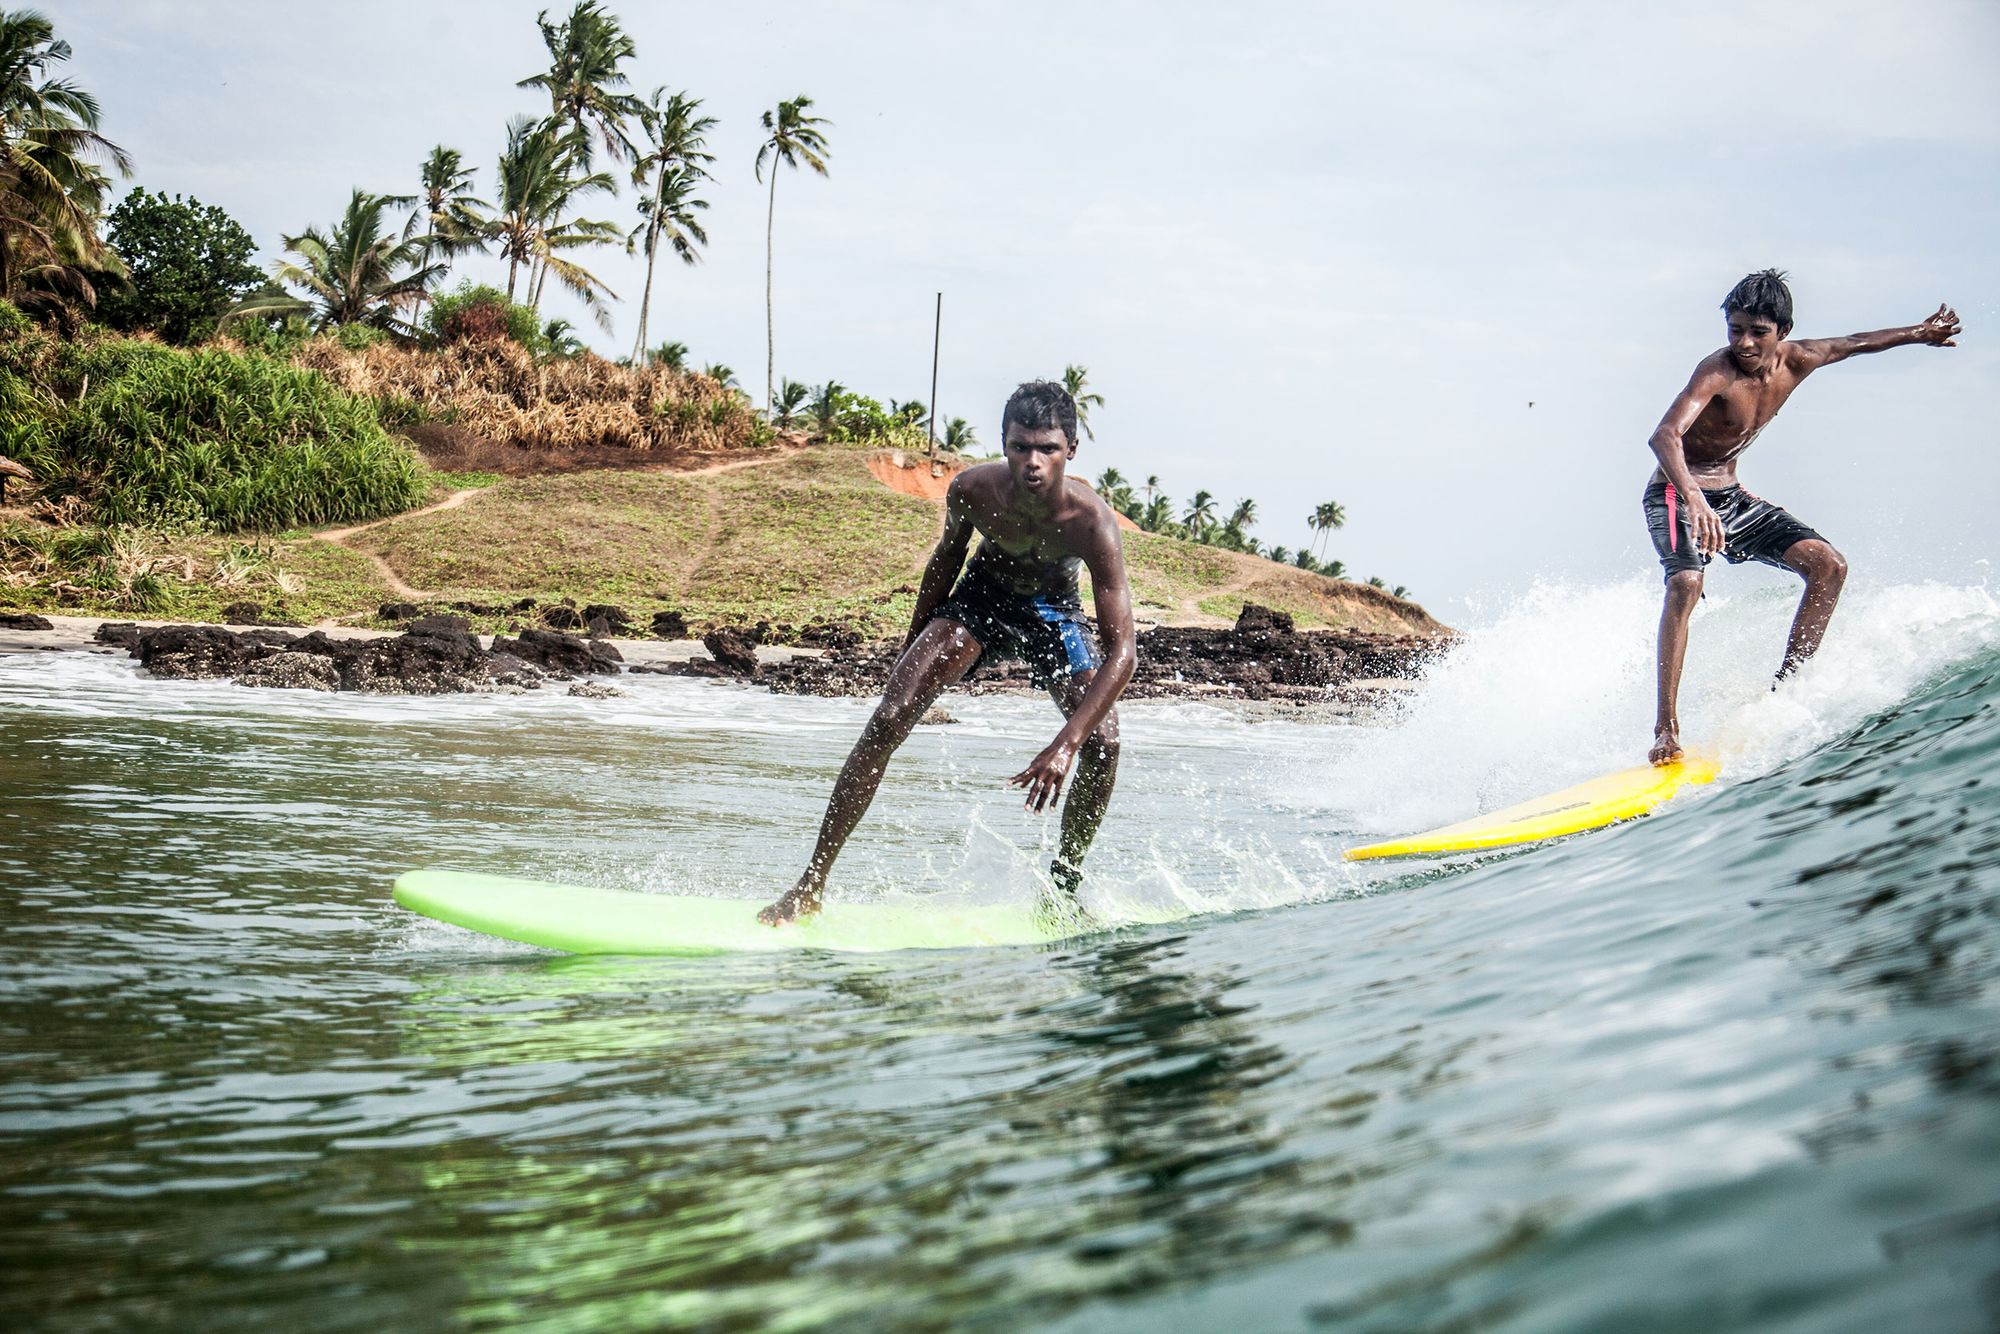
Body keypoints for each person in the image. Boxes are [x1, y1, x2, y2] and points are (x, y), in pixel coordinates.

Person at [759, 380, 1137, 925]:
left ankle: (1062, 888)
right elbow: (945, 562)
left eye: (1047, 448)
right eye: (1020, 446)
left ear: (1070, 450)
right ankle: (809, 886)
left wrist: (1064, 746)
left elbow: (1122, 653)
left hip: (1053, 613)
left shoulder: (1092, 524)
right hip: (980, 600)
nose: (1033, 462)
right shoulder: (972, 491)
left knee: (1103, 744)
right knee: (889, 716)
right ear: (1003, 443)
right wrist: (910, 653)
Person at [1644, 269, 1960, 765]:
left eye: (1758, 332)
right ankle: (1666, 730)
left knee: (1828, 565)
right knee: (1685, 581)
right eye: (1735, 330)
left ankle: (1788, 694)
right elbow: (1664, 436)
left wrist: (1920, 333)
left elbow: (1856, 342)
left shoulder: (1803, 358)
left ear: (1783, 333)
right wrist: (1694, 499)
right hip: (1676, 491)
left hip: (1731, 497)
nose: (1744, 343)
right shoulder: (1717, 371)